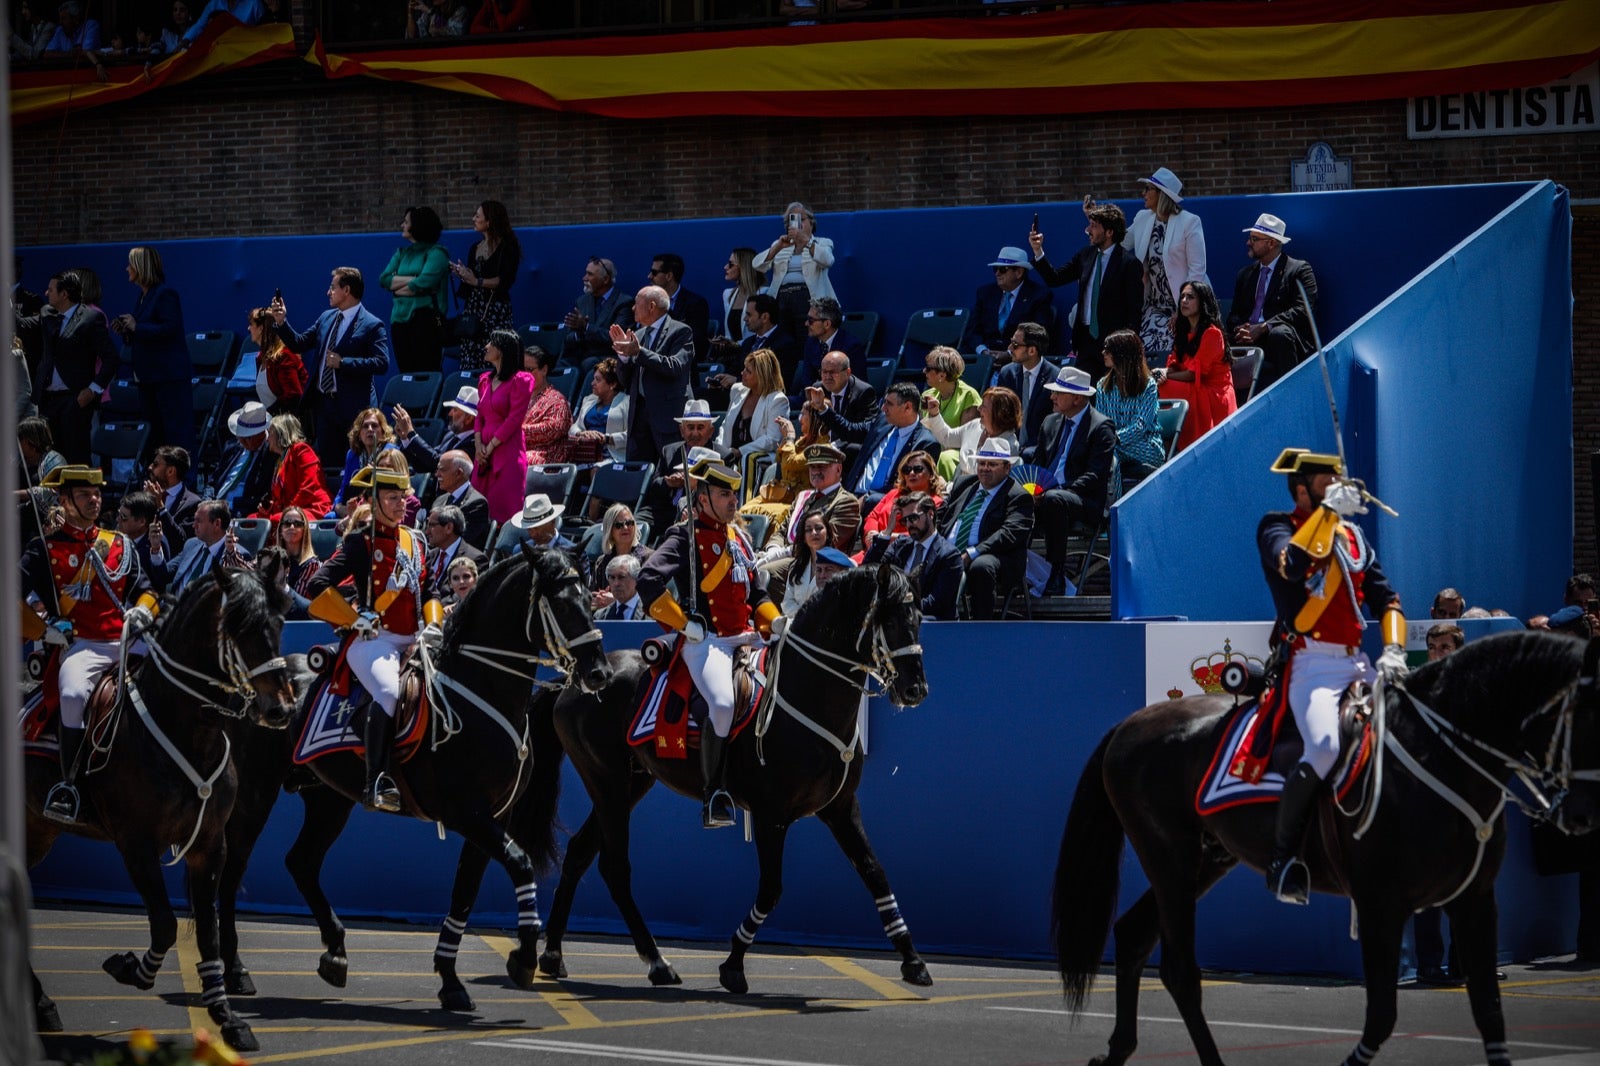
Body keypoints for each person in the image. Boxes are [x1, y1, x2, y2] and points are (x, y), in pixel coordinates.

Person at [1258, 447, 1405, 905]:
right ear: (1303, 492)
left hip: (1358, 660)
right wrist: (1326, 515)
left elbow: (1386, 599)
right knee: (1323, 746)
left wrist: (1395, 647)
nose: (1340, 492)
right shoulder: (1277, 527)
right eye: (1328, 487)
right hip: (1311, 663)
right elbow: (1295, 566)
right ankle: (1282, 858)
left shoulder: (1354, 537)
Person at [636, 451, 781, 828]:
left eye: (734, 495)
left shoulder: (740, 539)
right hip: (707, 641)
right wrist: (684, 623)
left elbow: (756, 594)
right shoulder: (683, 537)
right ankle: (714, 793)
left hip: (746, 636)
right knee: (721, 703)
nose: (734, 501)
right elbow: (648, 580)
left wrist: (776, 621)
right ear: (703, 500)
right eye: (724, 496)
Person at [21, 466, 158, 824]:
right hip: (82, 646)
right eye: (84, 495)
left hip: (129, 639)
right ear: (64, 501)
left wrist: (143, 612)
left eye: (97, 494)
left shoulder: (119, 544)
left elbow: (147, 590)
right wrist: (43, 630)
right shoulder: (43, 549)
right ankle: (70, 787)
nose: (95, 500)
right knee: (71, 697)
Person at [305, 464, 443, 812]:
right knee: (388, 692)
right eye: (392, 498)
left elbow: (429, 589)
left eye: (403, 498)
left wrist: (435, 623)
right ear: (375, 501)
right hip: (374, 639)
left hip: (415, 637)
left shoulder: (415, 539)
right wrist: (354, 617)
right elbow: (317, 585)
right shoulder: (360, 542)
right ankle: (376, 782)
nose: (401, 505)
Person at [271, 267, 393, 463]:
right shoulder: (326, 318)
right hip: (324, 407)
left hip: (353, 409)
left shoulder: (372, 324)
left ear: (346, 290)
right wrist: (281, 321)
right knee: (327, 464)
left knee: (355, 464)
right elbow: (299, 343)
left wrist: (343, 363)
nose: (328, 292)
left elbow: (381, 363)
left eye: (332, 287)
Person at [1030, 202, 1144, 375]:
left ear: (1109, 232)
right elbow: (1055, 278)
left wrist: (1125, 346)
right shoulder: (1086, 255)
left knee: (1109, 396)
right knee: (1084, 395)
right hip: (1085, 342)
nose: (1088, 230)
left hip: (1113, 346)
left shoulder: (1129, 264)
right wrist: (1038, 251)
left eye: (1094, 226)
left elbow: (1134, 311)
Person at [1032, 365, 1115, 596]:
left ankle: (1056, 574)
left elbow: (1095, 477)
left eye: (1059, 392)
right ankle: (1013, 573)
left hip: (1084, 500)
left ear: (1077, 398)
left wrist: (1056, 489)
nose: (1052, 396)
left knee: (1054, 499)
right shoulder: (1050, 422)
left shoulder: (1101, 427)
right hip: (1048, 494)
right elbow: (1038, 465)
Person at [109, 246, 194, 460]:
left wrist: (137, 327)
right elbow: (145, 333)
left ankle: (183, 482)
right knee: (155, 434)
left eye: (131, 264)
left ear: (141, 267)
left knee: (175, 434)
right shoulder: (142, 297)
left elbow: (170, 329)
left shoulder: (165, 294)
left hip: (168, 378)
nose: (126, 268)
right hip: (148, 379)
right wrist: (127, 331)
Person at [25, 270, 118, 465]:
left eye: (51, 290)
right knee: (51, 459)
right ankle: (56, 496)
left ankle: (84, 495)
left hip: (75, 399)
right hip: (48, 400)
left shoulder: (90, 318)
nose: (46, 292)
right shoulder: (47, 314)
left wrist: (93, 390)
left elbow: (111, 358)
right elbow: (21, 325)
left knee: (76, 457)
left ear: (64, 294)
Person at [936, 438, 1035, 620]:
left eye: (992, 464)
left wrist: (972, 553)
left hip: (996, 555)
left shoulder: (1018, 496)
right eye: (981, 463)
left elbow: (1008, 534)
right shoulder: (963, 484)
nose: (984, 468)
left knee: (981, 567)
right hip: (950, 551)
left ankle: (981, 628)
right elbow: (940, 516)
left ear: (1007, 468)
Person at [1120, 168, 1209, 360]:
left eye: (1148, 188)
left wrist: (1182, 309)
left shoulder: (1189, 222)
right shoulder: (1143, 218)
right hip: (1154, 306)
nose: (1143, 193)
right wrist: (1096, 222)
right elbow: (1119, 244)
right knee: (1141, 352)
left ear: (1161, 194)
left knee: (1174, 354)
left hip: (1185, 306)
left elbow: (1197, 270)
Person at [1226, 213, 1319, 391]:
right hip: (1248, 338)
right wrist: (1242, 328)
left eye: (1254, 239)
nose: (1248, 243)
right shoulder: (1245, 275)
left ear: (1271, 243)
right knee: (1217, 337)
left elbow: (1304, 310)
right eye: (1249, 238)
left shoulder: (1299, 270)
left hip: (1277, 339)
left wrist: (1263, 327)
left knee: (1280, 335)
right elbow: (1234, 315)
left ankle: (1292, 395)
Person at [611, 285, 695, 464]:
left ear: (651, 306)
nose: (633, 308)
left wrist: (639, 352)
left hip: (667, 417)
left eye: (636, 303)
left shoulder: (681, 331)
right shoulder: (638, 335)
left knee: (672, 470)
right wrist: (624, 356)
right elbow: (625, 381)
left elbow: (675, 366)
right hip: (639, 416)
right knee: (637, 471)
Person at [827, 382, 941, 508]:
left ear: (907, 407)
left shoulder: (926, 443)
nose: (883, 408)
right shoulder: (882, 422)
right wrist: (823, 410)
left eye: (889, 404)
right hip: (851, 494)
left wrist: (868, 498)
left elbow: (909, 486)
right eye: (884, 402)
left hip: (882, 504)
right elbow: (850, 431)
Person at [1158, 280, 1235, 451]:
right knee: (1154, 383)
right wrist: (1162, 371)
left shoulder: (1212, 333)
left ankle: (1168, 444)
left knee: (1162, 386)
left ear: (1203, 302)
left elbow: (1193, 374)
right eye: (1182, 297)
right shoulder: (1183, 331)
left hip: (1212, 392)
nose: (1184, 301)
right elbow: (1176, 365)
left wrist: (1166, 375)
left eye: (1190, 297)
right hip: (1192, 385)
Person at [864, 490, 962, 621]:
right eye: (905, 520)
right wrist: (887, 532)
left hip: (930, 621)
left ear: (931, 514)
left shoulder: (949, 555)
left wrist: (897, 608)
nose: (909, 525)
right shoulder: (900, 545)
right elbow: (868, 570)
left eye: (914, 518)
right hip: (896, 619)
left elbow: (937, 603)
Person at [448, 200, 521, 373]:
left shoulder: (507, 247)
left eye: (478, 216)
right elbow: (473, 278)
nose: (474, 219)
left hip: (495, 309)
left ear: (489, 221)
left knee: (495, 352)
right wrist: (463, 274)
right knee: (471, 353)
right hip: (474, 308)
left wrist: (476, 281)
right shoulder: (475, 248)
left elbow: (505, 280)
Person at [472, 329, 535, 526]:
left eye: (491, 343)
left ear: (502, 349)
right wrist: (478, 447)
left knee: (505, 513)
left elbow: (514, 420)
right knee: (477, 510)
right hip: (482, 455)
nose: (486, 347)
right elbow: (479, 415)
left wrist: (489, 448)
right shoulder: (485, 380)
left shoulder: (521, 380)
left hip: (506, 452)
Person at [379, 206, 450, 374]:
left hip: (425, 320)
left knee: (427, 370)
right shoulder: (402, 253)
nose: (402, 225)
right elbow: (384, 279)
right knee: (406, 372)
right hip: (398, 320)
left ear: (417, 225)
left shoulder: (437, 253)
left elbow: (424, 283)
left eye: (406, 222)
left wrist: (399, 288)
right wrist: (414, 278)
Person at [1094, 330, 1165, 496]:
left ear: (1122, 354)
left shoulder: (1148, 386)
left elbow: (1140, 426)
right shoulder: (1102, 385)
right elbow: (1102, 421)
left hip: (1146, 445)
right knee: (1107, 453)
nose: (1103, 353)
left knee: (1108, 452)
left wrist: (1114, 438)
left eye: (1108, 350)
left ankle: (1111, 506)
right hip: (1113, 444)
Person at [752, 201, 836, 341]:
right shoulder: (779, 245)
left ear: (811, 222)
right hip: (782, 298)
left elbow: (828, 261)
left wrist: (807, 242)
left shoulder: (822, 242)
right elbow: (757, 265)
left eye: (802, 219)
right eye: (793, 220)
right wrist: (778, 246)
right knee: (784, 340)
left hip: (808, 298)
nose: (798, 224)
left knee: (807, 338)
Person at [962, 245, 1056, 359]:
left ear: (1019, 272)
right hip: (984, 356)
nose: (997, 273)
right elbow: (972, 330)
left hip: (1018, 359)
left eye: (1003, 269)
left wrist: (1010, 354)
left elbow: (1038, 335)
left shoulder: (1038, 296)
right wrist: (983, 351)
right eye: (995, 269)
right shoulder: (985, 293)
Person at [150, 498, 252, 597]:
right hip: (175, 608)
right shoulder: (191, 545)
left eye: (199, 521)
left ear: (217, 524)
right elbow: (164, 575)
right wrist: (156, 548)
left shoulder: (235, 555)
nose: (194, 525)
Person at [855, 450, 945, 563]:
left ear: (931, 474)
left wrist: (885, 537)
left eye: (918, 469)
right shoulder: (893, 493)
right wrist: (871, 533)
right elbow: (873, 516)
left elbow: (924, 533)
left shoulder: (935, 502)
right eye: (906, 470)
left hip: (899, 556)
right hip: (872, 550)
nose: (911, 473)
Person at [922, 384, 1022, 483]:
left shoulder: (1008, 445)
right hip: (957, 487)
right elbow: (947, 437)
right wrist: (935, 413)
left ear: (998, 413)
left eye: (984, 406)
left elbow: (984, 478)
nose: (979, 409)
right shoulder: (975, 426)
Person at [715, 348, 789, 476]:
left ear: (762, 375)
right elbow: (725, 425)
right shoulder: (737, 390)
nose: (742, 373)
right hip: (731, 455)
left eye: (748, 371)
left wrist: (740, 451)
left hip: (757, 460)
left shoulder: (778, 400)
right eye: (744, 368)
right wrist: (721, 449)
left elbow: (773, 439)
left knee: (748, 461)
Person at [394, 385, 477, 482]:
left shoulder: (473, 443)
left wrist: (411, 433)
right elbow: (426, 463)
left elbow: (438, 463)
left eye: (455, 410)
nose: (450, 414)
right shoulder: (450, 436)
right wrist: (405, 438)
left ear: (469, 418)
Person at [257, 413, 331, 523]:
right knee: (252, 520)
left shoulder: (301, 450)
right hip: (291, 510)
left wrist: (288, 511)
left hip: (311, 508)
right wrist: (269, 508)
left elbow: (308, 488)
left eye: (270, 433)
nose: (267, 439)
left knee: (274, 521)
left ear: (280, 433)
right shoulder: (280, 460)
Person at [563, 256, 634, 371]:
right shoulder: (582, 301)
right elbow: (568, 339)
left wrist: (586, 327)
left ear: (605, 279)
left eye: (590, 274)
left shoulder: (624, 303)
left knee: (588, 364)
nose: (584, 278)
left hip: (606, 358)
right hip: (581, 356)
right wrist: (579, 334)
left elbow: (617, 339)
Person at [995, 322, 1058, 449]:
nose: (1010, 348)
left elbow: (1055, 423)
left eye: (1015, 345)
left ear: (1032, 350)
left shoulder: (1055, 378)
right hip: (1008, 447)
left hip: (1040, 448)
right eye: (1011, 342)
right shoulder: (1007, 374)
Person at [331, 407, 399, 516]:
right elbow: (344, 488)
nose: (370, 429)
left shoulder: (389, 451)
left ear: (383, 430)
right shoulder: (352, 455)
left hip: (379, 506)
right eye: (365, 426)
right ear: (359, 433)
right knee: (329, 518)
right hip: (352, 506)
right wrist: (338, 506)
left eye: (375, 425)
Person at [209, 402, 275, 512]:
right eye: (241, 436)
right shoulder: (232, 447)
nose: (245, 442)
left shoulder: (271, 454)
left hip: (241, 510)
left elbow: (264, 496)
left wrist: (230, 504)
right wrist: (207, 499)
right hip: (215, 506)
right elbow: (213, 479)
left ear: (262, 433)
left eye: (249, 437)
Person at [648, 253, 711, 362]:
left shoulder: (695, 304)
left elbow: (694, 342)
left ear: (669, 276)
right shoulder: (649, 301)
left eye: (654, 273)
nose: (649, 276)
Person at [793, 297, 866, 390]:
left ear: (827, 324)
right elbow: (807, 379)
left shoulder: (851, 347)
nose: (806, 323)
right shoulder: (811, 343)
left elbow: (856, 385)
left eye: (811, 320)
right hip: (814, 396)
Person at [568, 357, 629, 464]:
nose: (592, 383)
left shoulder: (626, 402)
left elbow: (631, 436)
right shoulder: (588, 400)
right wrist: (581, 433)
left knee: (597, 470)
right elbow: (574, 427)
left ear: (612, 384)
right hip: (586, 453)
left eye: (598, 380)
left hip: (611, 455)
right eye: (593, 379)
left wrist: (607, 438)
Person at [247, 306, 306, 415]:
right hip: (274, 422)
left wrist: (268, 413)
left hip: (290, 425)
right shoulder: (261, 358)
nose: (248, 328)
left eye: (251, 324)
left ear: (260, 329)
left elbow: (293, 396)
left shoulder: (284, 356)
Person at [425, 450, 490, 549]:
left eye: (442, 470)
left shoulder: (476, 504)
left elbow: (461, 542)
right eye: (437, 470)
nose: (437, 474)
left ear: (459, 473)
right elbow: (426, 533)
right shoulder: (439, 500)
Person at [421, 503, 484, 601]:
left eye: (432, 525)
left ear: (449, 528)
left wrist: (437, 609)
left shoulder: (475, 558)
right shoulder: (430, 555)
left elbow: (467, 595)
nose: (427, 532)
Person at [520, 345, 572, 465]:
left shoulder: (557, 400)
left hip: (545, 456)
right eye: (523, 369)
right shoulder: (517, 398)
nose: (525, 374)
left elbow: (552, 429)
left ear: (544, 370)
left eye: (530, 369)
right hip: (517, 449)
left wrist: (515, 431)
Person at [589, 502, 651, 599]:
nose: (625, 528)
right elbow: (592, 594)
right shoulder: (602, 562)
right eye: (618, 525)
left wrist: (615, 601)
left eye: (629, 523)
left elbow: (649, 597)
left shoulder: (649, 558)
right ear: (610, 531)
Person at [142, 445, 200, 544]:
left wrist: (160, 506)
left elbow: (181, 540)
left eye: (155, 464)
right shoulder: (146, 492)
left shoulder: (193, 503)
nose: (150, 467)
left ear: (170, 471)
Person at [779, 511, 831, 615]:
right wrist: (803, 616)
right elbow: (787, 602)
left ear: (828, 533)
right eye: (808, 530)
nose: (814, 533)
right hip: (796, 623)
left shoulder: (840, 566)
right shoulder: (797, 566)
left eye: (819, 528)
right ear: (803, 537)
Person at [274, 504, 322, 612]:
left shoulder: (311, 564)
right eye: (287, 523)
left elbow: (296, 601)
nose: (292, 527)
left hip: (296, 619)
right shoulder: (272, 559)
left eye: (297, 524)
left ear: (304, 530)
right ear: (280, 530)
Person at [920, 347, 981, 430]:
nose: (924, 371)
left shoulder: (968, 396)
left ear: (942, 375)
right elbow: (921, 432)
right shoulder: (926, 395)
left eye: (928, 368)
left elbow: (967, 438)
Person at [719, 247, 762, 343]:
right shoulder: (728, 294)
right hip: (732, 355)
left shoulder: (763, 293)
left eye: (731, 264)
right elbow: (729, 334)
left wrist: (737, 345)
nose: (725, 267)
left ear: (743, 267)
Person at [181, 0, 264, 43]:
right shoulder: (214, 3)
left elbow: (264, 29)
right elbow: (200, 25)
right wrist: (185, 41)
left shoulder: (254, 3)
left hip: (245, 50)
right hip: (220, 52)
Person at [597, 554, 644, 620]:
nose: (616, 583)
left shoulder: (652, 615)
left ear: (636, 579)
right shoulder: (600, 617)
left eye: (621, 577)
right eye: (612, 578)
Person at [405, 0, 469, 37]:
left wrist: (430, 13)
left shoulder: (461, 11)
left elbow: (454, 33)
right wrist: (410, 14)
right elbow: (412, 36)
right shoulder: (431, 10)